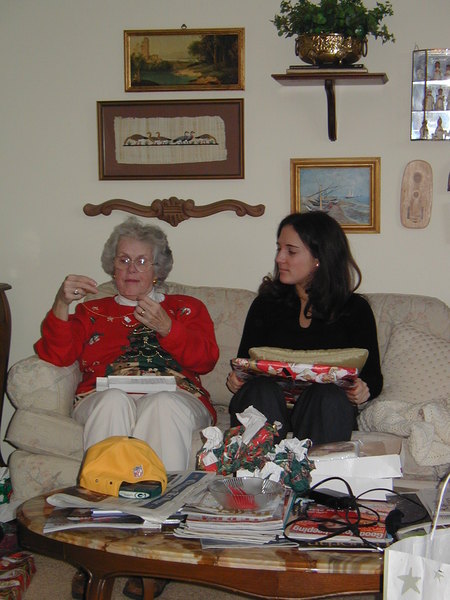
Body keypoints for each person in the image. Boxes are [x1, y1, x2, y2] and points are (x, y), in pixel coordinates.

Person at [35, 216, 219, 472]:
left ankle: (161, 495)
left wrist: (168, 328)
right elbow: (58, 355)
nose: (131, 269)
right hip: (102, 394)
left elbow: (206, 360)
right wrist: (61, 303)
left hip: (177, 395)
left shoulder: (185, 308)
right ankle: (104, 493)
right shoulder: (92, 311)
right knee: (113, 401)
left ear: (157, 270)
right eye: (123, 260)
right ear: (113, 268)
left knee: (163, 404)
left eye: (142, 261)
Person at [226, 211, 383, 446]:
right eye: (279, 248)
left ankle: (313, 469)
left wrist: (362, 389)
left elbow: (373, 377)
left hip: (323, 411)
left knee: (328, 395)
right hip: (267, 405)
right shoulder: (265, 304)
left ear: (319, 258)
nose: (280, 258)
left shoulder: (354, 309)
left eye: (291, 251)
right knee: (260, 389)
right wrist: (237, 379)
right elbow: (246, 363)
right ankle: (260, 467)